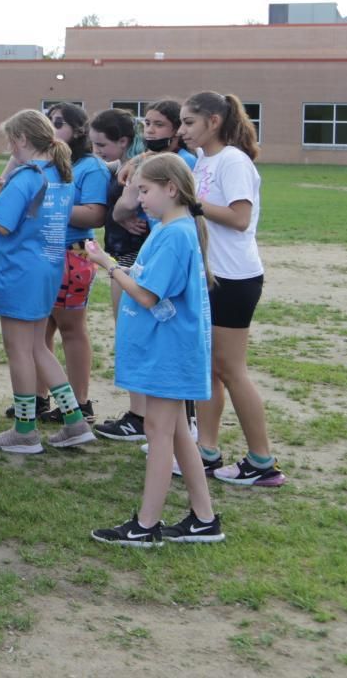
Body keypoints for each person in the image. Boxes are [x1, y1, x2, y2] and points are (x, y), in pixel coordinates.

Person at [85, 153, 226, 545]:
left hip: (169, 353)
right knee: (178, 432)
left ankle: (146, 525)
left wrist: (108, 264)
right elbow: (152, 281)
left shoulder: (177, 233)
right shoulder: (171, 230)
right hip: (170, 350)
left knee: (159, 433)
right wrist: (122, 268)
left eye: (143, 190)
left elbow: (148, 296)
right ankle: (204, 518)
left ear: (171, 188)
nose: (137, 198)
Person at [0, 109, 94, 453]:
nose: (9, 147)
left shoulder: (29, 176)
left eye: (10, 140)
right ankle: (75, 421)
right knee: (38, 346)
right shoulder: (58, 174)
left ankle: (25, 431)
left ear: (21, 139)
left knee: (19, 351)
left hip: (20, 272)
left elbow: (2, 222)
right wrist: (6, 188)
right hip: (47, 269)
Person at [182, 91, 284, 487]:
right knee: (207, 367)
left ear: (213, 121)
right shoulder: (203, 160)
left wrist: (192, 204)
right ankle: (206, 452)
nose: (183, 130)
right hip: (208, 276)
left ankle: (262, 462)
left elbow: (240, 218)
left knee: (231, 369)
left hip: (235, 278)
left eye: (189, 122)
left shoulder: (233, 161)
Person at [89, 108, 158, 441]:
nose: (97, 151)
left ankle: (139, 416)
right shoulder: (123, 166)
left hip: (133, 260)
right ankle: (143, 414)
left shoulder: (142, 167)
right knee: (131, 336)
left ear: (124, 141)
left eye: (103, 144)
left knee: (132, 337)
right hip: (123, 256)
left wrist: (123, 214)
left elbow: (138, 205)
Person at [44, 102, 109, 422]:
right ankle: (39, 396)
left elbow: (95, 214)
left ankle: (81, 403)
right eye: (47, 122)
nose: (50, 128)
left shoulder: (90, 168)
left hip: (74, 253)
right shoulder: (55, 164)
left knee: (71, 329)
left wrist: (49, 205)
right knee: (42, 327)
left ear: (79, 130)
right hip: (50, 252)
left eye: (58, 123)